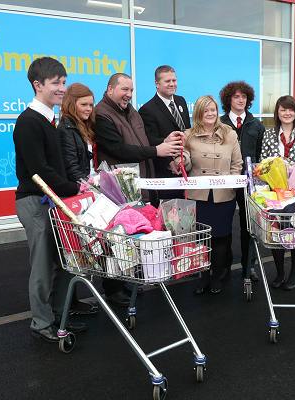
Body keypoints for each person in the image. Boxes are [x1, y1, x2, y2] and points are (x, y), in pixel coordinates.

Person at [13, 57, 87, 343]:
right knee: (43, 266)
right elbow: (38, 172)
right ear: (37, 84)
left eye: (64, 82)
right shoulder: (29, 122)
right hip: (35, 202)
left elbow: (55, 166)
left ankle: (60, 315)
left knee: (64, 260)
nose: (61, 88)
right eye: (56, 83)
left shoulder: (49, 120)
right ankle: (42, 323)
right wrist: (72, 188)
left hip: (55, 200)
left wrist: (77, 184)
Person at [95, 72, 182, 305]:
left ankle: (127, 279)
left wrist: (163, 153)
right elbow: (119, 150)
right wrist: (157, 151)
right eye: (124, 89)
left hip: (138, 185)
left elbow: (143, 144)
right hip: (118, 187)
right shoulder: (102, 114)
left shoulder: (131, 111)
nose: (128, 95)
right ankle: (113, 287)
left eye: (131, 90)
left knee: (132, 233)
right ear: (110, 88)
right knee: (115, 236)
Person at [175, 95, 243, 294]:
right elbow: (185, 161)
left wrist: (230, 181)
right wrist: (181, 161)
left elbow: (237, 163)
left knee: (221, 238)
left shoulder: (229, 134)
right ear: (198, 113)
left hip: (223, 195)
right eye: (206, 111)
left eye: (213, 110)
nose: (211, 113)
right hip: (199, 196)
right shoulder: (187, 135)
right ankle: (203, 277)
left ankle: (217, 276)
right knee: (201, 239)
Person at [260, 95, 295, 290]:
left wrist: (291, 167)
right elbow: (263, 163)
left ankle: (293, 274)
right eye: (283, 109)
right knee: (276, 232)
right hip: (274, 193)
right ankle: (280, 273)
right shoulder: (269, 134)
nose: (287, 113)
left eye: (290, 109)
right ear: (277, 112)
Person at [57, 82, 100, 315]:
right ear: (71, 104)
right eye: (84, 104)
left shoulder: (80, 126)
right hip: (74, 196)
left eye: (91, 105)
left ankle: (72, 303)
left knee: (77, 253)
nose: (88, 109)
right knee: (71, 252)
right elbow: (72, 166)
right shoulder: (66, 129)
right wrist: (88, 187)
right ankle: (66, 306)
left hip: (82, 192)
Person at [220, 81, 265, 282]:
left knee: (249, 226)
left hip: (248, 184)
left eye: (244, 97)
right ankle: (224, 266)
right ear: (228, 99)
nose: (240, 100)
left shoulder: (256, 125)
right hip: (225, 182)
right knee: (223, 226)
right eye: (236, 96)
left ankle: (249, 266)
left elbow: (260, 156)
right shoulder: (219, 124)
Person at [139, 65, 191, 199]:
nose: (172, 84)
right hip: (166, 173)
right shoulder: (147, 109)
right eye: (167, 81)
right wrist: (170, 162)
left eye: (174, 80)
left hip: (187, 167)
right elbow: (150, 141)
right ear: (157, 83)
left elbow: (187, 130)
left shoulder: (181, 101)